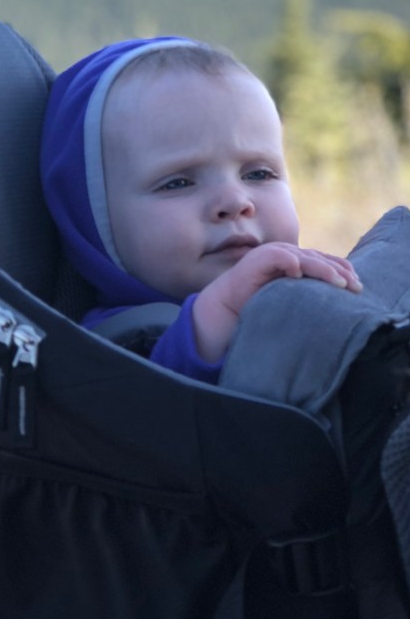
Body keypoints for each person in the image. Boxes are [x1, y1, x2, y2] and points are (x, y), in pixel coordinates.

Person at [40, 36, 361, 383]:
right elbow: (155, 402)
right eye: (178, 183)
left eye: (259, 174)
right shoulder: (107, 351)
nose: (235, 202)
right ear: (92, 224)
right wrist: (222, 309)